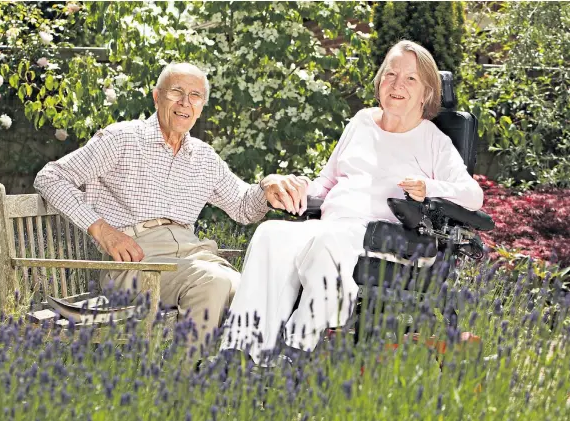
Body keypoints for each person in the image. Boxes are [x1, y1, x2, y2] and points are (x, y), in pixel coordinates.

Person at [219, 40, 485, 365]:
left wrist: (429, 187)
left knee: (325, 243)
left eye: (410, 79)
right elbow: (327, 182)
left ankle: (295, 352)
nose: (397, 84)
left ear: (427, 93)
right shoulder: (361, 122)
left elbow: (473, 196)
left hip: (385, 238)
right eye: (390, 74)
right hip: (331, 227)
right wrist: (300, 189)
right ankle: (242, 353)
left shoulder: (433, 140)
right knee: (269, 235)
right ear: (379, 82)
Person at [34, 62, 308, 357]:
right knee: (212, 281)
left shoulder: (203, 157)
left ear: (202, 106)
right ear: (156, 97)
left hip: (194, 257)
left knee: (258, 289)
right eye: (176, 92)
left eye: (195, 96)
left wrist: (267, 186)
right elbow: (50, 177)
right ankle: (181, 388)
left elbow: (243, 206)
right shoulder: (122, 139)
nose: (184, 103)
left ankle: (237, 381)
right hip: (136, 263)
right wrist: (102, 230)